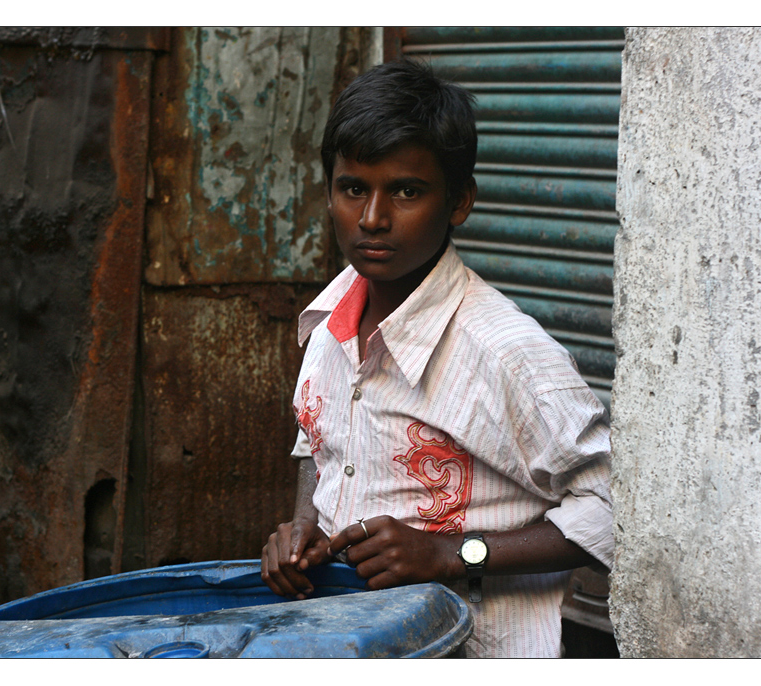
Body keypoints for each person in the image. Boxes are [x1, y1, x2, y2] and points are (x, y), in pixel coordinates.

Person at [260, 60, 614, 658]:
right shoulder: (328, 325)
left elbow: (616, 513)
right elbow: (315, 446)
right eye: (353, 189)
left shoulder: (506, 352)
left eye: (406, 191)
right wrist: (305, 532)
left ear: (459, 202)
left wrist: (451, 554)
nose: (372, 218)